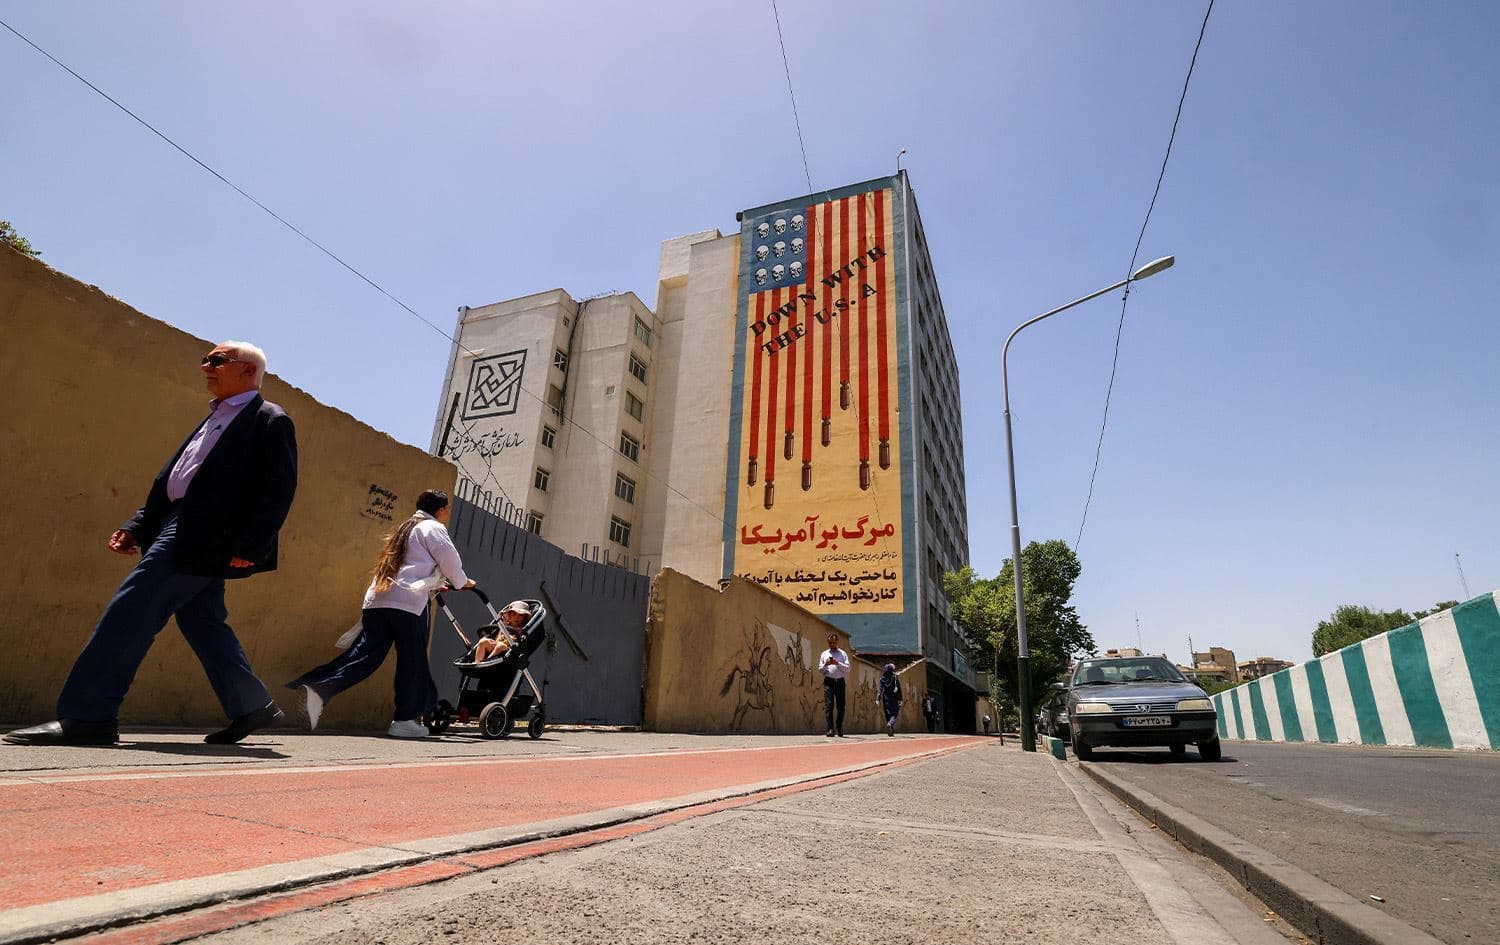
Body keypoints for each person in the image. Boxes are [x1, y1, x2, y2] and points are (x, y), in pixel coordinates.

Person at [5, 342, 297, 747]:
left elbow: (278, 489)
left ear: (248, 372)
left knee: (131, 609)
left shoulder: (268, 419)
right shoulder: (214, 419)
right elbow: (176, 481)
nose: (205, 367)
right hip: (178, 525)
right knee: (204, 622)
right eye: (206, 359)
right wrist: (139, 526)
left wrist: (253, 543)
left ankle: (89, 716)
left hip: (206, 534)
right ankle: (252, 706)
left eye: (216, 361)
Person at [286, 490, 472, 738]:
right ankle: (405, 720)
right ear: (441, 510)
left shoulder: (404, 528)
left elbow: (409, 567)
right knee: (412, 660)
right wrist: (463, 582)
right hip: (408, 604)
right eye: (447, 509)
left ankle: (320, 689)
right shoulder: (432, 527)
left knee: (366, 654)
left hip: (378, 600)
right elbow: (449, 560)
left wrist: (437, 583)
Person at [818, 632, 851, 737]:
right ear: (828, 642)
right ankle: (830, 729)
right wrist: (826, 664)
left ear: (837, 642)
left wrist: (838, 663)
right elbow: (820, 670)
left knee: (841, 706)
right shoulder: (824, 654)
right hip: (829, 681)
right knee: (829, 706)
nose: (832, 644)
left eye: (834, 642)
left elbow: (848, 668)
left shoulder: (842, 654)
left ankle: (839, 727)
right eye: (830, 642)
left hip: (840, 681)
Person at [878, 663, 902, 736]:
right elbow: (899, 688)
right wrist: (900, 698)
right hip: (893, 698)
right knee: (894, 713)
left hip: (885, 698)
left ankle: (890, 729)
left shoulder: (882, 678)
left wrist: (878, 698)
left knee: (887, 713)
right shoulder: (894, 677)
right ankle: (890, 724)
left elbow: (880, 689)